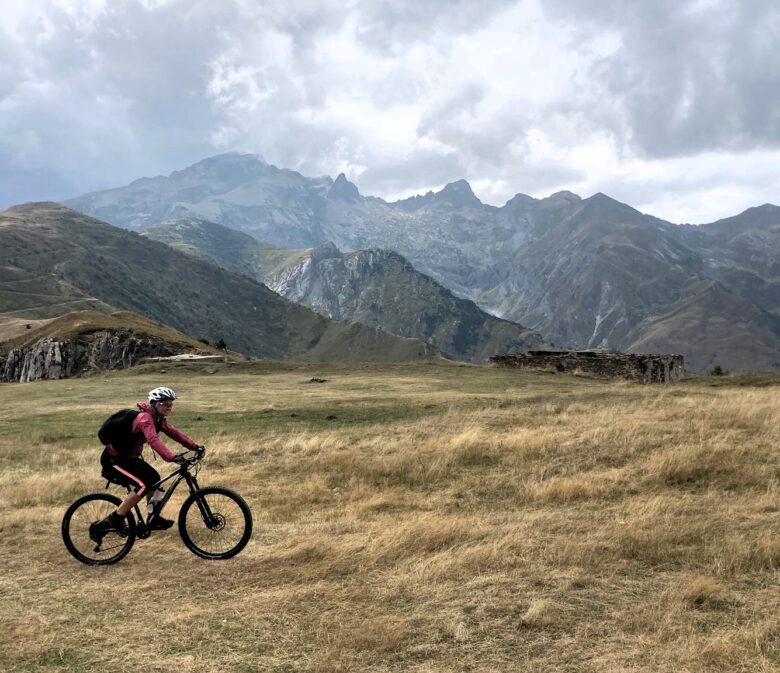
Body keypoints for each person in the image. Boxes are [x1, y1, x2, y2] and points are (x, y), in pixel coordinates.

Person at [91, 386, 205, 536]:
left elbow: (176, 434)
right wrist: (171, 457)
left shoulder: (159, 420)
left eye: (171, 404)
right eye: (166, 404)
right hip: (114, 460)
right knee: (144, 485)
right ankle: (116, 518)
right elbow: (153, 440)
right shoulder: (145, 419)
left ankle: (154, 518)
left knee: (154, 480)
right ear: (156, 403)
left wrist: (195, 446)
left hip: (129, 459)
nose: (169, 407)